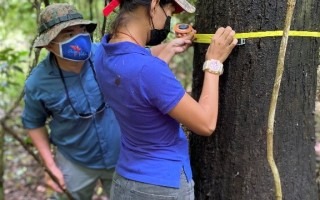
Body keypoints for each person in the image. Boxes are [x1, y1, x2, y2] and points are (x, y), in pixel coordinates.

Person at [94, 0, 238, 199]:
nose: (169, 20)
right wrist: (213, 62)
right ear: (154, 5)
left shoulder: (102, 52)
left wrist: (171, 47)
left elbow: (139, 66)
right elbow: (206, 123)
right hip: (162, 187)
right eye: (169, 11)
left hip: (124, 182)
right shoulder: (149, 70)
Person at [21, 3, 121, 199]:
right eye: (68, 33)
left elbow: (144, 58)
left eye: (82, 29)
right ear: (50, 44)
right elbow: (33, 123)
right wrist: (50, 167)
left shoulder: (105, 53)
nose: (80, 37)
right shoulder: (38, 82)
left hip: (121, 156)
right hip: (74, 161)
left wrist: (171, 46)